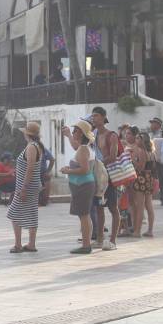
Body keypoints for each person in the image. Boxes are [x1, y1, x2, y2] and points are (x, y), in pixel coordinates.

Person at [6, 121, 43, 253]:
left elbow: (30, 168)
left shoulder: (32, 147)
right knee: (32, 213)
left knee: (14, 212)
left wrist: (24, 188)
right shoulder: (36, 145)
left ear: (27, 134)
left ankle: (18, 244)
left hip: (27, 185)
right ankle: (31, 244)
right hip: (31, 184)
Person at [61, 120, 96, 255]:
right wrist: (70, 168)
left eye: (75, 131)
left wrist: (68, 171)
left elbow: (84, 169)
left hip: (82, 185)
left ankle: (86, 245)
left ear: (81, 133)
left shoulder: (82, 149)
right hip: (84, 185)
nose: (73, 133)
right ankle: (87, 243)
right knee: (85, 215)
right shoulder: (86, 148)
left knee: (84, 215)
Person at [89, 107, 120, 251]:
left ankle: (112, 240)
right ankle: (100, 239)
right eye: (92, 116)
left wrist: (99, 164)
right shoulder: (93, 135)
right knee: (98, 207)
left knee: (113, 207)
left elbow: (113, 157)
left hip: (109, 175)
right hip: (97, 175)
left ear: (103, 117)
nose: (93, 118)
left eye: (96, 115)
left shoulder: (111, 135)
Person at [132, 132, 157, 237]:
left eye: (138, 138)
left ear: (142, 140)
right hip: (149, 178)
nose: (136, 140)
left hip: (142, 179)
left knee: (140, 206)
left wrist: (133, 160)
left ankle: (137, 231)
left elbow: (140, 167)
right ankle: (150, 230)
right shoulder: (152, 152)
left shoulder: (142, 151)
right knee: (149, 205)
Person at [149, 117, 163, 206]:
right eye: (151, 123)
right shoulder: (150, 135)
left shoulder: (162, 134)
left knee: (162, 179)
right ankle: (148, 198)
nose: (151, 125)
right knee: (149, 179)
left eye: (153, 123)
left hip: (160, 160)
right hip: (151, 159)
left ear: (158, 125)